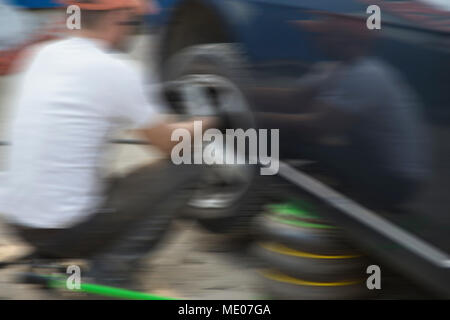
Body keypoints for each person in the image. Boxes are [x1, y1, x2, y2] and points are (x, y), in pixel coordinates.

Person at [0, 0, 216, 288]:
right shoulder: (117, 69)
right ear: (118, 17)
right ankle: (114, 270)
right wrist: (210, 120)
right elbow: (170, 144)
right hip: (66, 230)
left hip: (19, 224)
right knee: (188, 167)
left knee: (105, 176)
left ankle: (49, 255)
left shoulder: (42, 54)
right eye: (134, 21)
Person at [256, 15, 429, 210]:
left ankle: (258, 194)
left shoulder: (367, 74)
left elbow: (317, 127)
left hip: (394, 181)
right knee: (279, 135)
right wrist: (236, 89)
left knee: (284, 138)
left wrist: (254, 117)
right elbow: (293, 99)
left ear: (344, 40)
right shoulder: (336, 67)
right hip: (367, 156)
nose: (314, 40)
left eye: (322, 35)